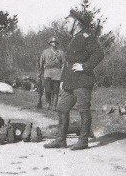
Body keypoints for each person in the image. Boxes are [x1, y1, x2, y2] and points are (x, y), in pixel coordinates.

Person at [44, 9, 105, 151]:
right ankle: (60, 139)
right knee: (61, 108)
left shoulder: (86, 37)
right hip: (70, 82)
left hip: (83, 81)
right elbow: (68, 62)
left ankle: (83, 141)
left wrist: (85, 66)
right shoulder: (74, 38)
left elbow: (98, 53)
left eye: (68, 21)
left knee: (83, 110)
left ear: (77, 23)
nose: (66, 24)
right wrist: (63, 80)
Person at [38, 37, 66, 110]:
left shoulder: (61, 53)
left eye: (55, 42)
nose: (54, 44)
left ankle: (54, 105)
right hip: (47, 72)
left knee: (56, 90)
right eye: (52, 42)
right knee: (47, 90)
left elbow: (63, 63)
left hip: (57, 72)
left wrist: (62, 72)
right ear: (49, 43)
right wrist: (40, 71)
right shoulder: (45, 52)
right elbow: (41, 62)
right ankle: (48, 103)